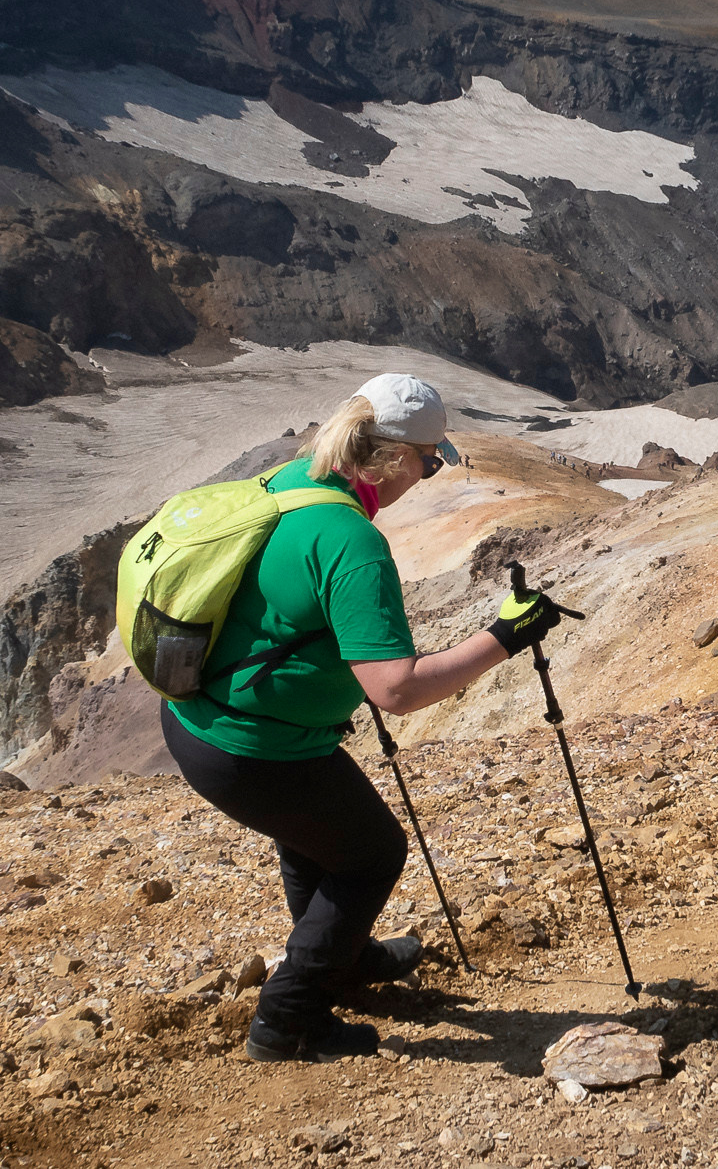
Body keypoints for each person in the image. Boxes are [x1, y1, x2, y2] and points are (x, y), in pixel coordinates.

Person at [161, 373, 564, 1063]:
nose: (429, 475)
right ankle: (289, 1017)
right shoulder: (352, 541)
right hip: (255, 747)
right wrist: (506, 636)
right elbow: (396, 690)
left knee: (318, 840)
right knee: (373, 855)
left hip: (203, 718)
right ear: (396, 458)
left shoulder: (292, 482)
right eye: (431, 462)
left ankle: (339, 959)